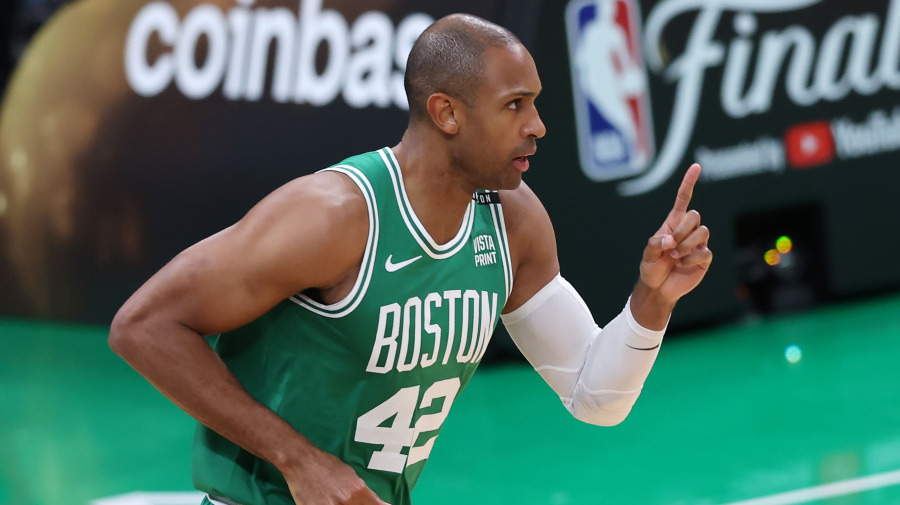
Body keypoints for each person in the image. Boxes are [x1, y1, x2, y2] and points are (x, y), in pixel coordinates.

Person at [109, 13, 712, 505]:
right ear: (447, 113)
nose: (539, 126)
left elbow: (595, 398)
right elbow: (143, 326)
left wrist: (653, 299)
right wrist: (298, 459)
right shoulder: (333, 216)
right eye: (515, 105)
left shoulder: (513, 220)